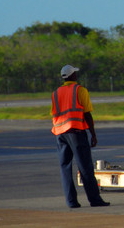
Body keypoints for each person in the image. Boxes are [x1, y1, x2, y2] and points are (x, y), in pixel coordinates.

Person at [51, 64, 110, 208]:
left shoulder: (56, 93)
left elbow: (54, 113)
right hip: (76, 132)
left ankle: (71, 202)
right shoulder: (79, 90)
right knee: (85, 167)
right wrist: (93, 134)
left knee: (65, 167)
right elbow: (87, 114)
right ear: (73, 76)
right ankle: (95, 200)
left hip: (60, 133)